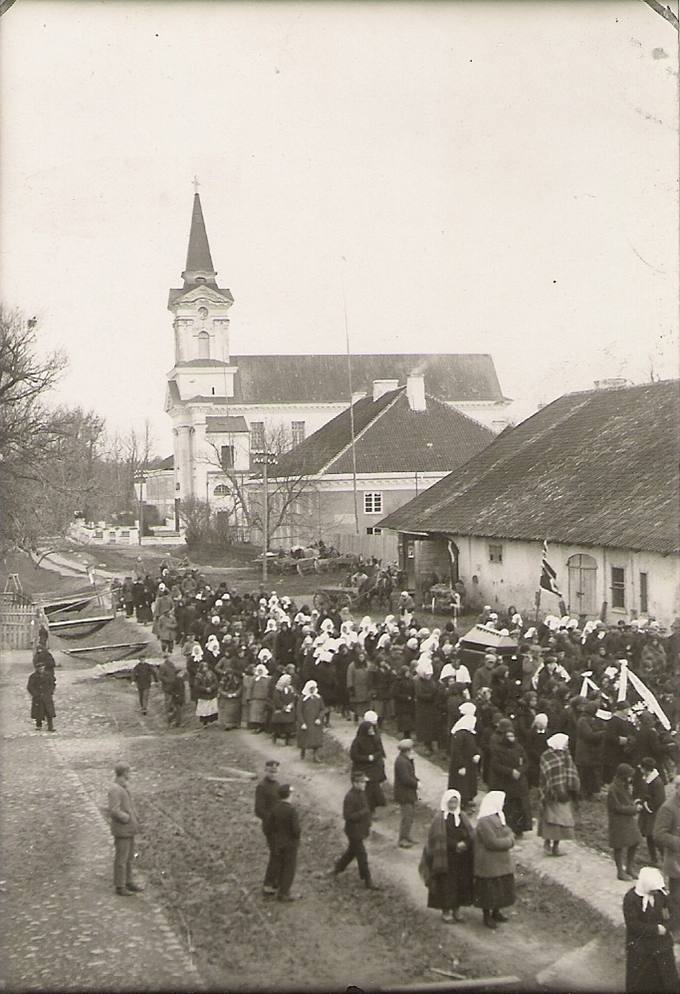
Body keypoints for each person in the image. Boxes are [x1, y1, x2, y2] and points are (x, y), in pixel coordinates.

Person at [622, 866, 679, 992]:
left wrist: (667, 926)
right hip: (640, 944)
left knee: (667, 977)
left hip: (661, 943)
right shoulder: (631, 898)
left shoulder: (660, 894)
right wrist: (655, 930)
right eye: (652, 890)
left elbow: (675, 912)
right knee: (642, 980)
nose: (655, 892)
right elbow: (633, 924)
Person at [422, 789, 474, 923]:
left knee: (460, 883)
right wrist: (455, 845)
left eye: (455, 801)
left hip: (462, 857)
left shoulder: (462, 816)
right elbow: (437, 838)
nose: (453, 804)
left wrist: (465, 844)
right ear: (446, 802)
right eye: (451, 801)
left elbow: (471, 834)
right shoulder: (439, 818)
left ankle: (457, 909)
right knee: (446, 884)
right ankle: (446, 911)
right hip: (446, 857)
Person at [473, 790, 515, 930]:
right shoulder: (484, 821)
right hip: (488, 864)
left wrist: (508, 837)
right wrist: (509, 841)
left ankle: (496, 912)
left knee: (500, 888)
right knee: (488, 890)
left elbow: (510, 831)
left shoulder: (499, 816)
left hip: (500, 862)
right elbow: (491, 842)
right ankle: (487, 916)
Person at [331, 772, 380, 890]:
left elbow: (365, 809)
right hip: (353, 832)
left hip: (360, 830)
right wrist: (363, 813)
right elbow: (347, 816)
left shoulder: (361, 793)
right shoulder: (350, 796)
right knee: (362, 855)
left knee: (351, 852)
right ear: (355, 783)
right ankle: (368, 881)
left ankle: (337, 869)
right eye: (362, 782)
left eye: (364, 782)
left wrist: (368, 822)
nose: (364, 784)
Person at [537, 733, 581, 857]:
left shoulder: (567, 755)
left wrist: (572, 787)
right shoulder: (547, 756)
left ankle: (556, 846)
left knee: (562, 821)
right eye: (566, 743)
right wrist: (552, 789)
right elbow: (546, 775)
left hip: (565, 794)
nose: (567, 745)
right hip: (551, 794)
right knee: (550, 819)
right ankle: (547, 842)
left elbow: (571, 772)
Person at [107, 762, 143, 897]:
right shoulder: (115, 789)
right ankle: (120, 886)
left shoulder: (123, 787)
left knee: (128, 858)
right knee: (121, 859)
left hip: (128, 829)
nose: (130, 774)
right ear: (124, 773)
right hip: (122, 829)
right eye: (129, 772)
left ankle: (128, 881)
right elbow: (114, 811)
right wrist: (127, 818)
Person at [654, 774, 680, 938]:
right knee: (677, 897)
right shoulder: (668, 808)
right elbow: (658, 834)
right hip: (676, 860)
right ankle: (676, 929)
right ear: (677, 788)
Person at [608, 763, 643, 881]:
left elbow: (627, 800)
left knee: (635, 841)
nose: (630, 778)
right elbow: (616, 807)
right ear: (622, 776)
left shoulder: (624, 786)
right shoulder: (613, 788)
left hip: (627, 819)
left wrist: (635, 803)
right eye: (628, 776)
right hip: (618, 821)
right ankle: (620, 871)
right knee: (618, 846)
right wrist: (633, 809)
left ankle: (629, 867)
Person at [267, 784, 302, 902]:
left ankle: (278, 886)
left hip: (278, 842)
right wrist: (297, 838)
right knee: (289, 868)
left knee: (281, 865)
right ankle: (284, 893)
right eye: (291, 794)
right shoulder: (292, 810)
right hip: (290, 844)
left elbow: (269, 827)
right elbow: (296, 830)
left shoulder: (275, 808)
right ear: (289, 795)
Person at [349, 714, 387, 816]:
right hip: (362, 768)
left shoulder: (374, 739)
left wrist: (374, 757)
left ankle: (372, 809)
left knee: (373, 790)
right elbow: (354, 756)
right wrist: (367, 758)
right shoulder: (357, 742)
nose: (372, 731)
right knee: (364, 792)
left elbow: (380, 751)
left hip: (373, 768)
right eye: (369, 729)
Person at [255, 759, 281, 896]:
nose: (273, 774)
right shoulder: (262, 787)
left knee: (279, 853)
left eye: (275, 772)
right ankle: (268, 884)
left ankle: (276, 881)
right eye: (270, 771)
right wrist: (271, 819)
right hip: (270, 827)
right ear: (266, 770)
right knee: (275, 853)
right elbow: (258, 810)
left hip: (280, 827)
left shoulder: (278, 785)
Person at [635, 757, 666, 866]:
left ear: (646, 769)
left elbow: (659, 800)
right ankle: (654, 859)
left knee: (655, 837)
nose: (640, 769)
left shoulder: (657, 783)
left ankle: (664, 858)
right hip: (648, 813)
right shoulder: (647, 778)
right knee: (649, 835)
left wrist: (645, 805)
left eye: (642, 767)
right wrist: (639, 800)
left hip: (654, 814)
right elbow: (642, 792)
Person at [447, 712, 480, 809]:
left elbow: (474, 746)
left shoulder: (469, 733)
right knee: (461, 784)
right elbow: (456, 751)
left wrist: (477, 754)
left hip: (469, 763)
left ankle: (468, 799)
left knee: (469, 782)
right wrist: (460, 766)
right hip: (461, 764)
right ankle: (462, 803)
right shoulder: (459, 734)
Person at [393, 739, 419, 848]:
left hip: (407, 793)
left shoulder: (405, 760)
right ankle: (402, 839)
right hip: (404, 793)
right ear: (407, 750)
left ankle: (406, 836)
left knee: (410, 815)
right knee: (407, 816)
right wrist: (416, 784)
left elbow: (411, 774)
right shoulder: (402, 762)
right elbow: (406, 779)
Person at [296, 680, 325, 762]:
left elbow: (323, 709)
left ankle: (315, 755)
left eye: (314, 688)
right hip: (306, 721)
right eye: (310, 688)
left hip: (315, 722)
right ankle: (303, 750)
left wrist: (319, 718)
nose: (312, 690)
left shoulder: (318, 698)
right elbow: (299, 711)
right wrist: (302, 722)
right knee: (305, 738)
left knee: (316, 740)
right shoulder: (303, 698)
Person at [27, 661, 56, 732]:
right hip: (38, 697)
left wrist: (50, 691)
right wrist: (35, 694)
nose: (41, 670)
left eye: (42, 668)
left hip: (47, 696)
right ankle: (38, 725)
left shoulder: (48, 675)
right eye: (39, 669)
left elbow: (52, 684)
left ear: (44, 668)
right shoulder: (33, 676)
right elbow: (30, 686)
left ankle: (50, 726)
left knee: (49, 712)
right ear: (37, 669)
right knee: (38, 712)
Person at [270, 673, 297, 746]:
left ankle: (288, 740)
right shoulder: (278, 689)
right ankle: (276, 736)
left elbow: (293, 698)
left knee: (289, 725)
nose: (289, 682)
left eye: (290, 680)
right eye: (288, 680)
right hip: (280, 709)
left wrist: (291, 705)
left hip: (289, 708)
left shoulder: (291, 688)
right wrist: (283, 707)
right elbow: (276, 699)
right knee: (280, 725)